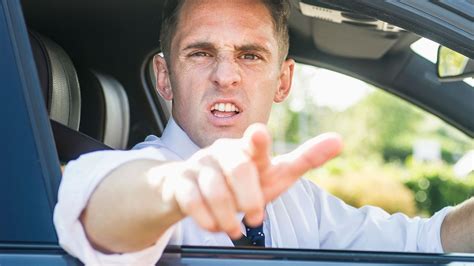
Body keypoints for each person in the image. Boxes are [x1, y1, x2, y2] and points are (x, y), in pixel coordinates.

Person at [54, 0, 474, 265]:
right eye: (201, 53)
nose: (226, 75)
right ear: (165, 78)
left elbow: (425, 243)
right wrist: (179, 187)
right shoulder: (149, 173)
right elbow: (96, 211)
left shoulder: (298, 200)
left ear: (283, 81)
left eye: (250, 55)